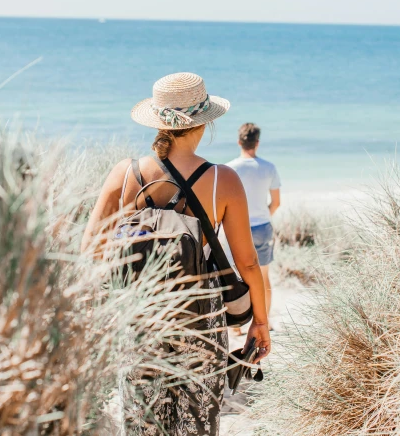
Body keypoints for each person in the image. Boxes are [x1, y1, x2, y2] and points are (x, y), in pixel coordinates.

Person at [81, 72, 271, 436]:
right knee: (196, 425)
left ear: (158, 122)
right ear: (206, 123)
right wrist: (259, 323)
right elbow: (247, 262)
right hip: (200, 319)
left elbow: (90, 250)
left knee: (142, 423)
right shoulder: (222, 179)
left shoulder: (125, 174)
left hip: (139, 318)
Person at [227, 123, 281, 326]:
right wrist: (262, 216)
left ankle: (237, 326)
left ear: (239, 142)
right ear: (257, 143)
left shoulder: (230, 168)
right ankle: (263, 321)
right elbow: (276, 203)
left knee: (237, 276)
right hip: (262, 227)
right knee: (264, 276)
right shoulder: (269, 167)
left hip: (237, 228)